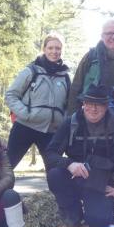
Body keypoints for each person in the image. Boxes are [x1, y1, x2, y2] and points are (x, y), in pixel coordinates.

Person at [45, 84, 114, 227]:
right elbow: (50, 154)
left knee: (98, 223)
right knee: (55, 175)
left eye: (99, 105)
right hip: (76, 178)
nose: (94, 109)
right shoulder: (71, 123)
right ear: (84, 104)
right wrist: (69, 164)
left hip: (103, 184)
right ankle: (72, 213)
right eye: (90, 104)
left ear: (106, 106)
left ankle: (105, 211)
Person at [5, 33, 71, 169]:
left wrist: (63, 122)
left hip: (51, 132)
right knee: (6, 167)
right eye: (51, 48)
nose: (54, 52)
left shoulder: (65, 77)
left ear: (62, 50)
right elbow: (11, 95)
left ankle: (57, 191)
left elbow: (68, 105)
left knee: (55, 171)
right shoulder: (30, 71)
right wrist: (26, 114)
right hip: (25, 127)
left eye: (58, 48)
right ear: (44, 49)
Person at [67, 19, 114, 128]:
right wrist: (72, 117)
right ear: (102, 36)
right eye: (109, 33)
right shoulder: (91, 57)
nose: (113, 37)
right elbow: (76, 87)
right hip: (92, 114)